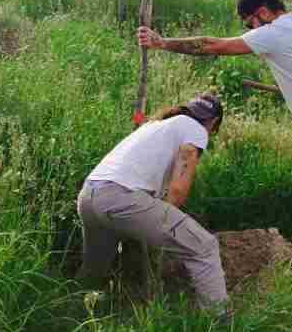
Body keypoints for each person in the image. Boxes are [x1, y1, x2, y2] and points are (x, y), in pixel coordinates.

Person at [137, 0, 292, 262]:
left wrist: (163, 43)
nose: (252, 29)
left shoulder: (273, 32)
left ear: (262, 12)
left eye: (251, 24)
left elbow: (213, 45)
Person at [76, 93, 229, 313]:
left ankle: (72, 310)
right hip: (120, 198)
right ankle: (219, 324)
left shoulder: (156, 125)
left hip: (90, 195)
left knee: (94, 269)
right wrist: (169, 223)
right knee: (204, 247)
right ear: (213, 123)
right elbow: (177, 190)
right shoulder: (195, 129)